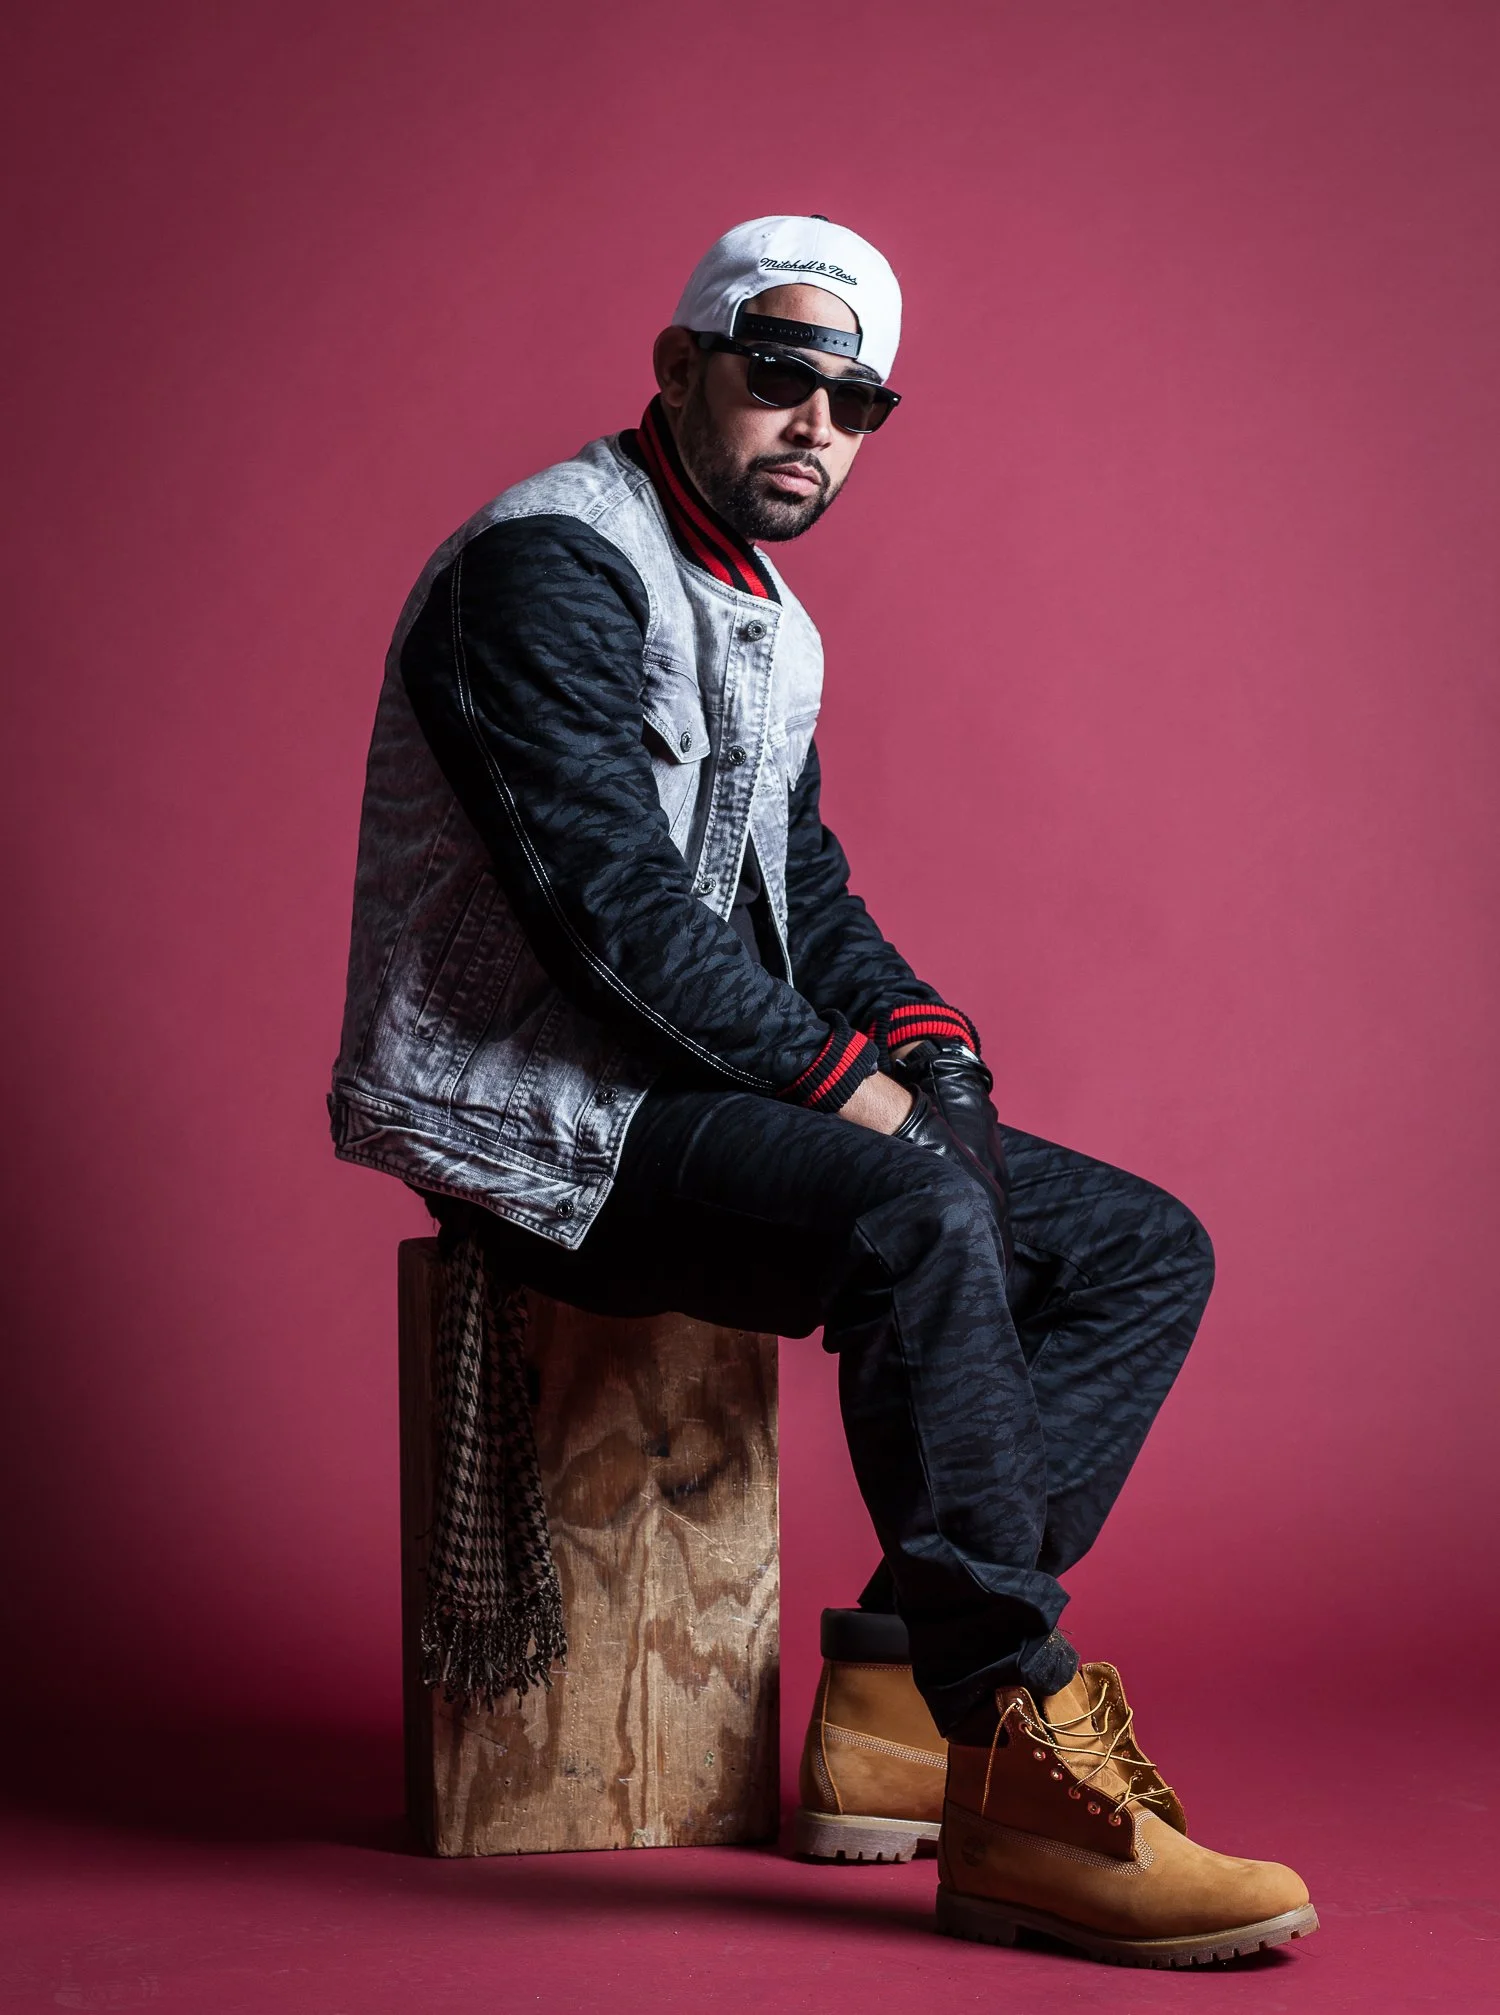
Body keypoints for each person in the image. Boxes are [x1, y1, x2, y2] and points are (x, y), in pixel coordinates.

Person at [330, 215, 1316, 1967]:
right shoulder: (547, 567)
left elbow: (805, 891)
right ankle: (1015, 1749)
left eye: (857, 403)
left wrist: (933, 1052)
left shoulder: (767, 614)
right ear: (676, 363)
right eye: (781, 375)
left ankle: (884, 1688)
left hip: (704, 1095)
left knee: (1136, 1246)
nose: (817, 425)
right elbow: (608, 920)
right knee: (918, 1197)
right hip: (535, 1115)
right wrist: (862, 1104)